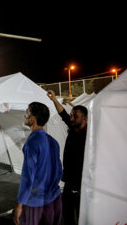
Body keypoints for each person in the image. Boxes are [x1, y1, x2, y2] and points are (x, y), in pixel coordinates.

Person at [13, 102, 63, 225]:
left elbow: (28, 177)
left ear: (33, 119)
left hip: (36, 204)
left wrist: (20, 205)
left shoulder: (32, 142)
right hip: (55, 199)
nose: (25, 115)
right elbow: (59, 170)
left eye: (27, 112)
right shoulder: (53, 141)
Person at [47, 90, 88, 225]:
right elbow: (62, 114)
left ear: (85, 118)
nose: (71, 118)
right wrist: (54, 99)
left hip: (81, 184)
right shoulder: (73, 128)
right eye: (71, 115)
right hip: (69, 181)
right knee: (67, 213)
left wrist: (84, 185)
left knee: (81, 215)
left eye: (75, 116)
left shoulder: (89, 136)